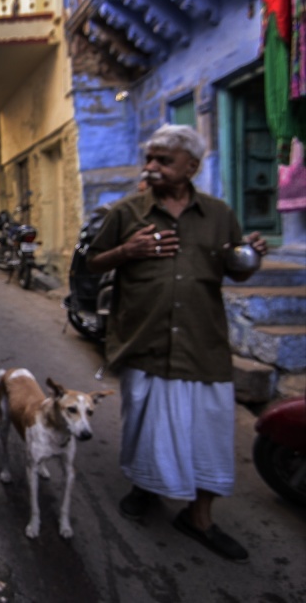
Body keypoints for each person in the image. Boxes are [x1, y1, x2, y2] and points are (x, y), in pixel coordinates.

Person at [86, 124, 268, 563]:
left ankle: (199, 517)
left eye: (163, 160)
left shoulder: (220, 215)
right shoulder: (127, 213)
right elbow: (91, 263)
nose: (151, 167)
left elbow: (235, 271)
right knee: (146, 426)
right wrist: (127, 252)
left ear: (191, 166)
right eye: (149, 158)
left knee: (208, 435)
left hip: (202, 345)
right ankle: (147, 488)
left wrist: (251, 256)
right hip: (144, 340)